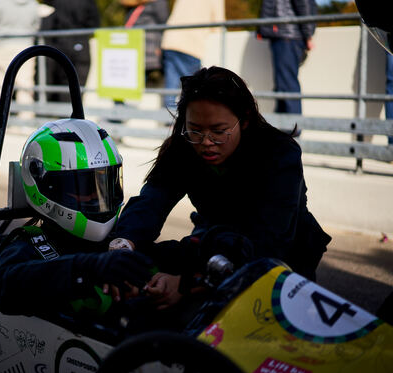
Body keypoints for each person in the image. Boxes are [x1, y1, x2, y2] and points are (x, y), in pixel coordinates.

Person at [110, 66, 331, 309]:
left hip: (280, 260)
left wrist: (187, 285)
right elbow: (152, 202)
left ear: (244, 120)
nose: (206, 142)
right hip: (215, 244)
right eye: (195, 130)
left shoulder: (278, 154)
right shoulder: (183, 147)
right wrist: (123, 246)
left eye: (218, 132)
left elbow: (269, 242)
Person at [0, 118, 153, 317]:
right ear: (47, 186)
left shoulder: (119, 241)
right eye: (85, 187)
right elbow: (7, 288)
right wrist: (86, 270)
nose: (97, 197)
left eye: (104, 185)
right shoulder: (26, 245)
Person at [161, 0, 225, 111]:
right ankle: (189, 123)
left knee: (171, 89)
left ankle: (168, 122)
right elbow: (219, 23)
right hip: (191, 43)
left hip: (170, 40)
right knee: (194, 91)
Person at [258, 0, 317, 114]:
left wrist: (308, 35)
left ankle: (292, 128)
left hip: (287, 35)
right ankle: (284, 127)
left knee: (287, 85)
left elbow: (303, 4)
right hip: (284, 34)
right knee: (282, 86)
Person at [39, 0, 100, 102]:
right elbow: (94, 23)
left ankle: (64, 113)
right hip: (80, 44)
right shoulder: (88, 2)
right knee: (77, 85)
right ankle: (71, 113)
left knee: (64, 83)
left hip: (61, 44)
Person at [0, 0, 40, 113]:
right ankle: (25, 120)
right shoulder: (33, 3)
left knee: (0, 82)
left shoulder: (0, 2)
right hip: (26, 43)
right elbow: (36, 25)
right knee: (25, 84)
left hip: (3, 43)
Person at [120, 0, 169, 86]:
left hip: (136, 47)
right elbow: (164, 22)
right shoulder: (157, 3)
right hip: (149, 48)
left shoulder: (132, 4)